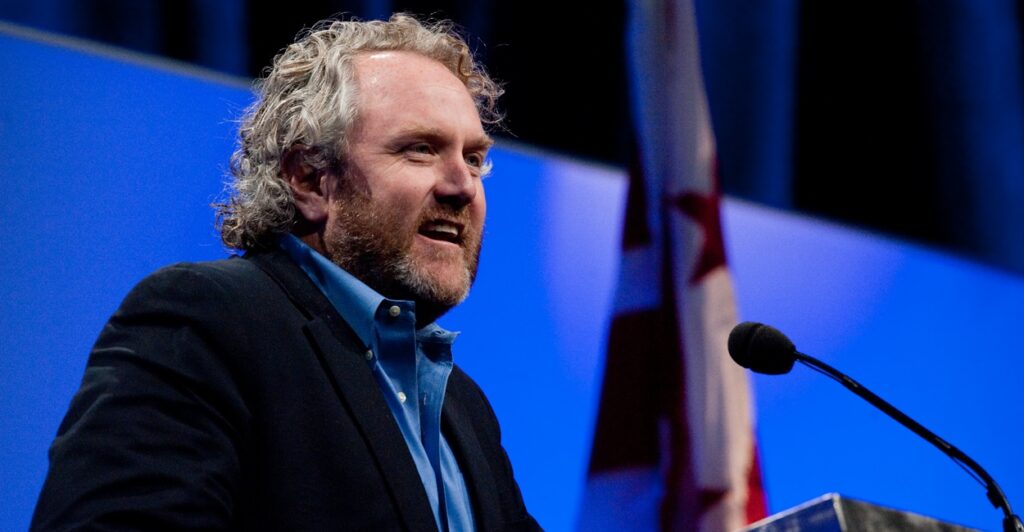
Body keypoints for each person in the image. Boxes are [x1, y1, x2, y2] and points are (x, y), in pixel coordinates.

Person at [31, 13, 539, 531]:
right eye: (420, 150)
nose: (463, 185)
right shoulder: (208, 322)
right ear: (310, 179)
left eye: (474, 158)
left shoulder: (465, 407)